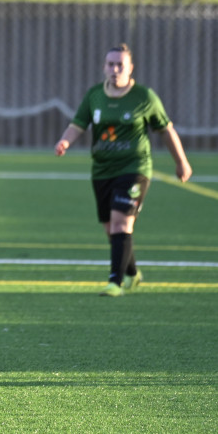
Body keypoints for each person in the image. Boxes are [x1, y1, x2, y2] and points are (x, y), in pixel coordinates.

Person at [55, 43, 193, 297]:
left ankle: (115, 282)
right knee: (111, 229)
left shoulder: (144, 97)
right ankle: (132, 273)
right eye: (110, 64)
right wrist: (65, 141)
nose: (115, 69)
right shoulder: (94, 95)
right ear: (104, 67)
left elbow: (166, 130)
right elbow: (78, 124)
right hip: (102, 170)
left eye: (120, 64)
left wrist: (181, 161)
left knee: (121, 223)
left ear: (130, 68)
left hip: (135, 168)